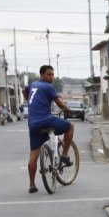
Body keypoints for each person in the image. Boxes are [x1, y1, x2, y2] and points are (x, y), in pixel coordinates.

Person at [26, 64, 74, 194]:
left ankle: (32, 185)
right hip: (46, 120)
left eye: (52, 74)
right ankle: (64, 155)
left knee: (33, 156)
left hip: (33, 124)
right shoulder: (48, 87)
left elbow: (27, 93)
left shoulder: (32, 85)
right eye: (49, 74)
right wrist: (67, 109)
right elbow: (59, 103)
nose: (51, 77)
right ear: (42, 75)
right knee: (70, 127)